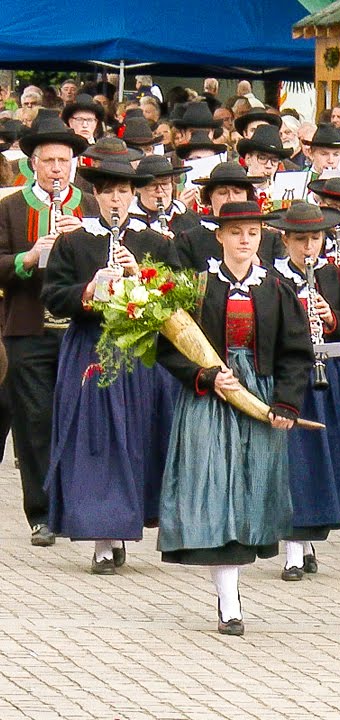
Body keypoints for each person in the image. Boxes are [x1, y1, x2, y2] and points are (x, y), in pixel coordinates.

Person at [155, 200, 312, 637]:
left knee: (249, 494)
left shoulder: (277, 289)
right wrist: (205, 376)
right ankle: (229, 601)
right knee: (214, 493)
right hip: (208, 402)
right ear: (219, 236)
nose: (245, 240)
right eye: (236, 232)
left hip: (258, 400)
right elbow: (169, 348)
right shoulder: (197, 287)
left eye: (253, 233)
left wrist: (286, 403)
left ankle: (234, 589)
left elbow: (296, 353)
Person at [40, 160, 178, 573]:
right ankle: (102, 538)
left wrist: (141, 274)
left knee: (136, 438)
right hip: (92, 350)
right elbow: (53, 296)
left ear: (133, 195)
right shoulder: (75, 242)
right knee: (98, 440)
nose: (116, 200)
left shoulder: (154, 240)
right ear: (96, 195)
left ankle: (122, 525)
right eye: (108, 192)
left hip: (140, 353)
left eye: (123, 192)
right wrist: (88, 289)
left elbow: (175, 299)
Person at [0, 117, 97, 546]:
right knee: (34, 420)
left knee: (82, 418)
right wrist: (27, 257)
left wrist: (84, 242)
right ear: (33, 165)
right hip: (28, 327)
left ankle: (77, 506)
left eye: (64, 161)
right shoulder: (10, 207)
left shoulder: (89, 206)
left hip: (80, 328)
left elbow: (111, 260)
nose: (57, 169)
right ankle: (40, 513)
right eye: (49, 161)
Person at [267, 203, 340, 581]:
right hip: (288, 380)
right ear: (285, 241)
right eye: (300, 240)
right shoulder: (271, 279)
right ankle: (293, 549)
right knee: (294, 461)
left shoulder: (335, 276)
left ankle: (308, 539)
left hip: (328, 377)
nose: (309, 247)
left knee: (321, 460)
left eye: (315, 239)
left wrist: (332, 319)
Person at [173, 162, 283, 268]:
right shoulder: (189, 241)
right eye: (222, 193)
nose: (231, 199)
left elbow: (283, 279)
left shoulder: (271, 240)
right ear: (210, 196)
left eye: (237, 192)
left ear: (247, 195)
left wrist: (259, 264)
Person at [130, 155, 200, 238]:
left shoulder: (189, 218)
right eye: (152, 185)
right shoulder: (127, 221)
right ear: (138, 188)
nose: (159, 190)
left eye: (165, 184)